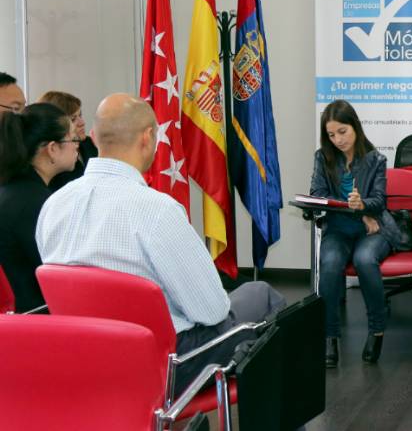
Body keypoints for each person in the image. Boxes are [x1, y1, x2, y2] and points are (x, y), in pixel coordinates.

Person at [35, 93, 286, 392]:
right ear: (148, 137)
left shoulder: (53, 206)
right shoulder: (158, 210)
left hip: (85, 359)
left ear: (93, 136)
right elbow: (212, 311)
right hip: (164, 365)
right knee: (261, 296)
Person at [311, 99, 402, 368]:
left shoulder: (375, 159)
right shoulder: (322, 157)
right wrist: (357, 211)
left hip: (373, 230)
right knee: (329, 264)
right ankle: (329, 337)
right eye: (331, 135)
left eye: (342, 132)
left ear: (355, 127)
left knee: (364, 260)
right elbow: (318, 194)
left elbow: (379, 200)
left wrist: (363, 206)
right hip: (339, 228)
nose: (338, 140)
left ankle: (376, 330)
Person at [0, 103, 78, 311]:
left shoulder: (12, 190)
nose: (77, 145)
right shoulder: (37, 204)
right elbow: (63, 273)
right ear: (52, 149)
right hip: (34, 318)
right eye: (72, 139)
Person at [38, 90, 98, 190]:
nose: (82, 123)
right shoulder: (51, 162)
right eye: (73, 119)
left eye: (80, 115)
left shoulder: (91, 143)